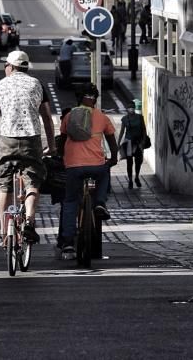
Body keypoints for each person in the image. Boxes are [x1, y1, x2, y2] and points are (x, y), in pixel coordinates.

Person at [0, 49, 57, 245]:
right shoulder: (36, 84)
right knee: (33, 181)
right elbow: (47, 119)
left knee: (4, 185)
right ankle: (30, 222)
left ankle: (3, 233)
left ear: (11, 66)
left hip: (7, 140)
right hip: (31, 140)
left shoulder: (1, 85)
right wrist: (52, 145)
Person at [58, 83, 118, 259]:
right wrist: (113, 159)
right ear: (95, 100)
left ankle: (68, 244)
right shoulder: (102, 117)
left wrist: (62, 158)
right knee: (104, 172)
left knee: (70, 202)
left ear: (78, 98)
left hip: (73, 167)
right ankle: (99, 202)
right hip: (96, 166)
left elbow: (61, 141)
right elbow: (112, 142)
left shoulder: (69, 116)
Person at [118, 103, 147, 189]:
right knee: (129, 162)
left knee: (138, 161)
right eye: (130, 108)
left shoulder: (140, 117)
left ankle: (137, 177)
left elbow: (144, 130)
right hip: (129, 142)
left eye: (132, 108)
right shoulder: (124, 119)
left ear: (134, 108)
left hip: (138, 142)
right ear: (127, 109)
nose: (131, 109)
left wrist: (143, 141)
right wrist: (118, 142)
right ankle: (130, 180)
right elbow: (122, 131)